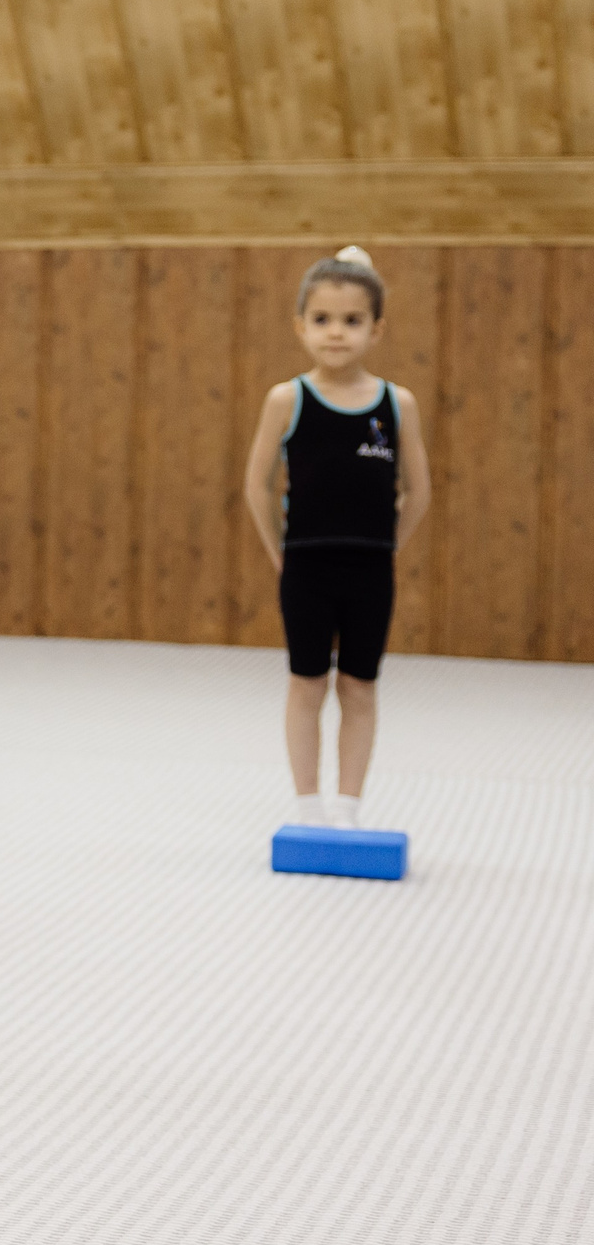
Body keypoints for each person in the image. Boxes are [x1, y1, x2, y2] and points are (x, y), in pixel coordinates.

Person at [242, 246, 431, 827]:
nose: (336, 334)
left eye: (352, 321)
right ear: (301, 326)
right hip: (306, 567)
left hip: (371, 568)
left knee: (359, 685)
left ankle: (348, 805)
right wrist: (280, 554)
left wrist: (387, 545)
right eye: (322, 320)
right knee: (307, 682)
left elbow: (418, 491)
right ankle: (307, 804)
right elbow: (257, 486)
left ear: (377, 329)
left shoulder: (396, 404)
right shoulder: (287, 399)